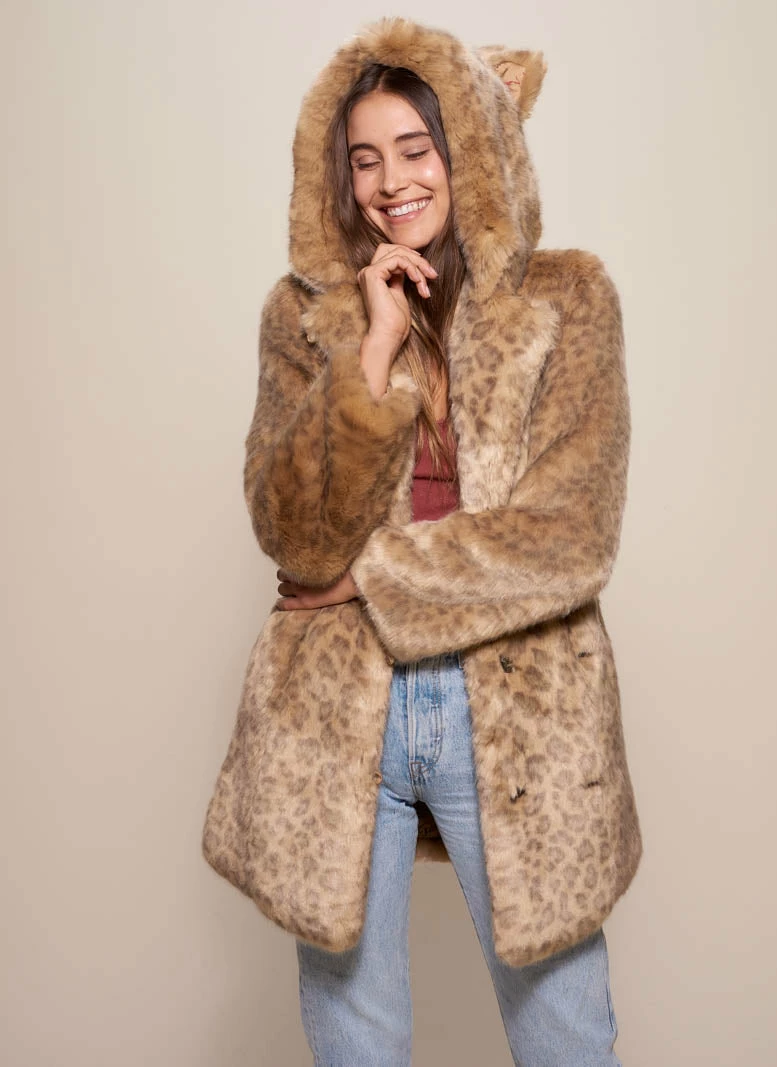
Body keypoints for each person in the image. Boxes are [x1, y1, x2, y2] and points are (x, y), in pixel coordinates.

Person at [202, 17, 642, 1066]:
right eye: (364, 158)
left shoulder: (566, 300)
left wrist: (371, 576)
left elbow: (568, 536)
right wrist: (372, 353)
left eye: (415, 148)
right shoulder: (302, 318)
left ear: (467, 153)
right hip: (338, 714)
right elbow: (291, 534)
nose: (390, 181)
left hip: (515, 706)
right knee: (355, 1040)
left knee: (567, 1034)